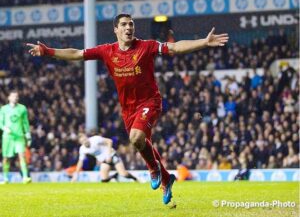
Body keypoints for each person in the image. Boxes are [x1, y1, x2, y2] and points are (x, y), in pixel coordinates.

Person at [27, 13, 229, 204]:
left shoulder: (146, 46)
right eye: (123, 24)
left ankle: (154, 170)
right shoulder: (107, 51)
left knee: (136, 138)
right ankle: (167, 179)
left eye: (131, 24)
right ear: (116, 29)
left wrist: (204, 41)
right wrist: (48, 51)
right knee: (141, 142)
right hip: (127, 109)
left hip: (150, 102)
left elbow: (175, 48)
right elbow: (77, 53)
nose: (128, 27)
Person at [71, 133, 138, 183]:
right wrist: (76, 175)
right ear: (80, 143)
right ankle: (114, 176)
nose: (85, 141)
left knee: (123, 174)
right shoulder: (82, 149)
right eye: (83, 141)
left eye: (85, 139)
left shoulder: (95, 139)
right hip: (105, 160)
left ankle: (136, 179)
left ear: (87, 137)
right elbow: (80, 162)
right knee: (104, 180)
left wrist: (108, 155)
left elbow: (109, 141)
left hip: (112, 155)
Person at [0, 91, 32, 184]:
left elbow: (25, 122)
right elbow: (0, 123)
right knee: (6, 158)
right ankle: (5, 178)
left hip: (19, 136)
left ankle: (25, 177)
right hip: (7, 137)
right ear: (9, 98)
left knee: (22, 156)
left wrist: (28, 134)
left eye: (17, 96)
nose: (15, 98)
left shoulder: (22, 108)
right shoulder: (3, 109)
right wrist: (5, 128)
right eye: (13, 96)